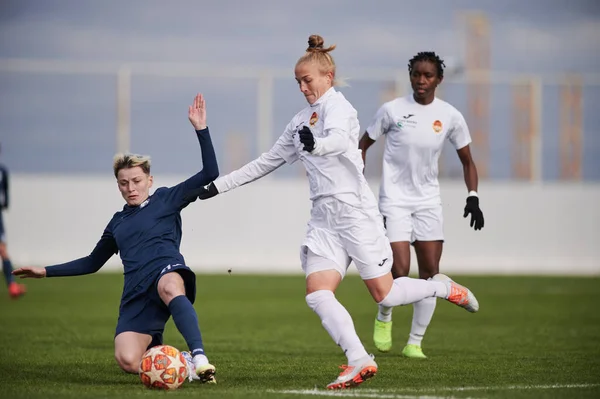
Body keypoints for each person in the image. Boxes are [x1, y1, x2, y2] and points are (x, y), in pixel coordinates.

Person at [198, 36, 479, 389]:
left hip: (354, 212)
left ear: (328, 76)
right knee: (317, 293)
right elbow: (267, 161)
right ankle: (358, 359)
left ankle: (439, 287)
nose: (302, 87)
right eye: (297, 81)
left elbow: (343, 141)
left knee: (385, 295)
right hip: (323, 219)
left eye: (307, 80)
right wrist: (216, 187)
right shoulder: (300, 120)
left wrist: (318, 144)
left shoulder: (339, 107)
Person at [13, 94, 219, 383]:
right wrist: (45, 271)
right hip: (136, 295)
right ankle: (181, 363)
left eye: (136, 181)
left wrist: (201, 129)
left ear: (149, 180)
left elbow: (211, 172)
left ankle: (199, 357)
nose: (131, 188)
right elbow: (92, 262)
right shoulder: (117, 223)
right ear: (118, 185)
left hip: (166, 272)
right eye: (124, 183)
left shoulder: (166, 198)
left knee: (171, 285)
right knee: (127, 360)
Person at [358, 51, 485, 359]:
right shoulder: (392, 110)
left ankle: (415, 342)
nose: (421, 81)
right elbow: (363, 145)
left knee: (430, 274)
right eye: (416, 74)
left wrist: (473, 197)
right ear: (410, 75)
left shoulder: (451, 116)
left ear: (439, 80)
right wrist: (358, 186)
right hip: (394, 200)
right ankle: (384, 315)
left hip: (428, 202)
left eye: (428, 75)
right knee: (399, 271)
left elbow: (467, 161)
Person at [0, 143, 26, 299]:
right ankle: (12, 285)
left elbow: (5, 191)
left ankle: (12, 285)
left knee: (3, 249)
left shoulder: (3, 171)